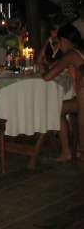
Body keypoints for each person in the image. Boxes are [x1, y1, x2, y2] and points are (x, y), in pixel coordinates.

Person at [42, 24, 84, 162]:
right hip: (80, 96)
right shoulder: (80, 51)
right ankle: (77, 148)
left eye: (59, 42)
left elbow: (48, 77)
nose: (59, 46)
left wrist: (44, 71)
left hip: (82, 99)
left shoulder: (71, 54)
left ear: (65, 40)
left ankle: (66, 152)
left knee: (55, 109)